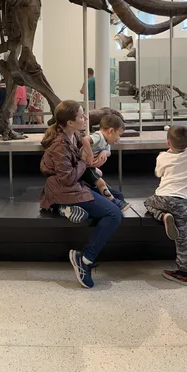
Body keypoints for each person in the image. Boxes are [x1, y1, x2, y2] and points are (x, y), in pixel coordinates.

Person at [40, 100, 122, 288]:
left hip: (76, 185)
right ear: (69, 122)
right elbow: (67, 178)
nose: (86, 118)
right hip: (65, 190)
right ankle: (85, 259)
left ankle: (65, 208)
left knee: (118, 199)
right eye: (81, 116)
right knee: (114, 213)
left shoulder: (74, 134)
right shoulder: (60, 145)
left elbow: (91, 149)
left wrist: (102, 154)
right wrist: (85, 161)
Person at [144, 125, 187, 285]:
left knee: (148, 202)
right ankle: (183, 271)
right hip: (183, 202)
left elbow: (158, 173)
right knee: (182, 236)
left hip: (163, 197)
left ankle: (162, 216)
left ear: (168, 143)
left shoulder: (162, 157)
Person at [80, 114, 129, 212]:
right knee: (101, 183)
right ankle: (113, 201)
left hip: (89, 167)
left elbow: (108, 152)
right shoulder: (98, 136)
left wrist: (104, 152)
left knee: (99, 174)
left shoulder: (106, 141)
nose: (118, 139)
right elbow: (85, 139)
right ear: (110, 131)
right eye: (118, 135)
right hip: (84, 166)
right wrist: (89, 154)